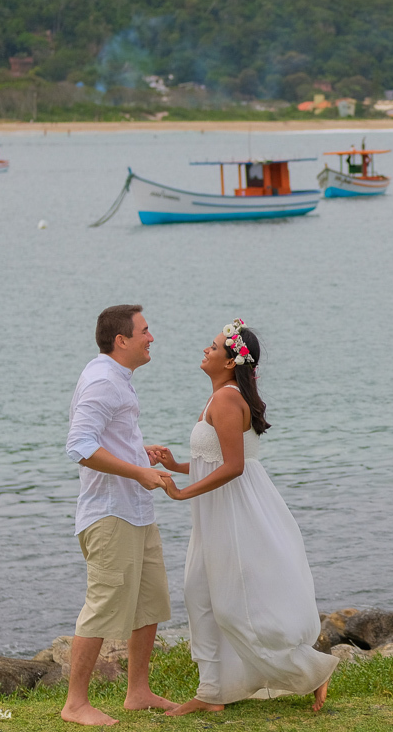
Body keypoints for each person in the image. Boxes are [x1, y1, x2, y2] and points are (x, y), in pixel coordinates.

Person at [151, 318, 337, 716]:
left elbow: (234, 466)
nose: (206, 349)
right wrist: (179, 465)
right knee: (198, 591)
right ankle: (213, 692)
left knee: (235, 604)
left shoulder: (225, 399)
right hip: (221, 511)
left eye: (214, 346)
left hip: (235, 513)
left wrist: (181, 492)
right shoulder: (221, 397)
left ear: (232, 360)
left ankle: (311, 671)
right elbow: (216, 460)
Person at [62, 305, 178, 726]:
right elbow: (80, 446)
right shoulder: (101, 381)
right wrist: (137, 470)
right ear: (121, 340)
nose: (152, 337)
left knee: (149, 603)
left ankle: (138, 692)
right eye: (145, 330)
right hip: (110, 515)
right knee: (102, 605)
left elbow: (106, 439)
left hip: (136, 512)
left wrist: (138, 453)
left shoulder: (118, 380)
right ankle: (75, 704)